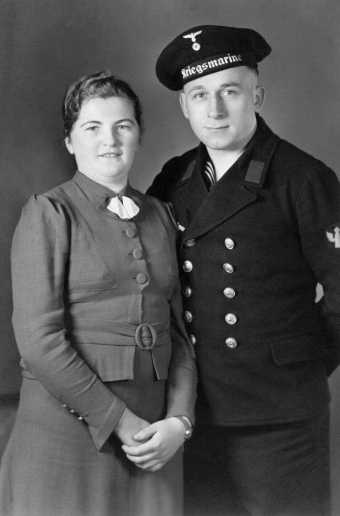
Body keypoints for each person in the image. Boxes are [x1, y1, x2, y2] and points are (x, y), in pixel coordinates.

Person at [148, 25, 340, 516]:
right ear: (183, 106)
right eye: (199, 95)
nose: (214, 110)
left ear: (257, 93)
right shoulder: (174, 178)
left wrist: (299, 363)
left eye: (229, 91)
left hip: (279, 416)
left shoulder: (304, 177)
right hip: (194, 412)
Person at [0, 70, 196, 516]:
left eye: (123, 125)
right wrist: (121, 423)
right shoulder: (48, 213)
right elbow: (39, 343)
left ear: (139, 135)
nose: (110, 139)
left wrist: (179, 422)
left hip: (154, 442)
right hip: (66, 439)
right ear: (70, 141)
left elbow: (180, 336)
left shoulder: (161, 216)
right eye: (92, 127)